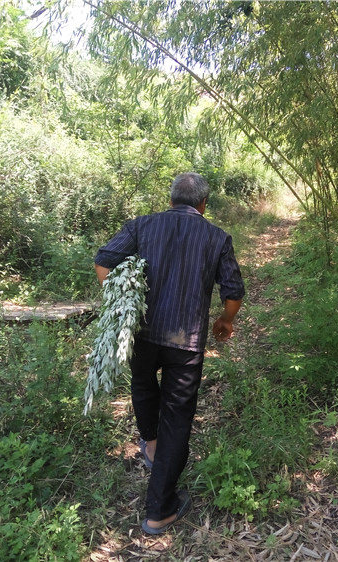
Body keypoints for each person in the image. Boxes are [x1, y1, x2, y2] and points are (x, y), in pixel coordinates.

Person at [93, 172, 244, 534]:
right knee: (177, 416)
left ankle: (151, 445)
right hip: (186, 341)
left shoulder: (142, 225)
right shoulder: (216, 237)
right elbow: (233, 291)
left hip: (142, 332)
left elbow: (104, 261)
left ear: (171, 199)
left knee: (143, 385)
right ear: (203, 204)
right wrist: (225, 320)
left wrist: (122, 302)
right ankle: (159, 509)